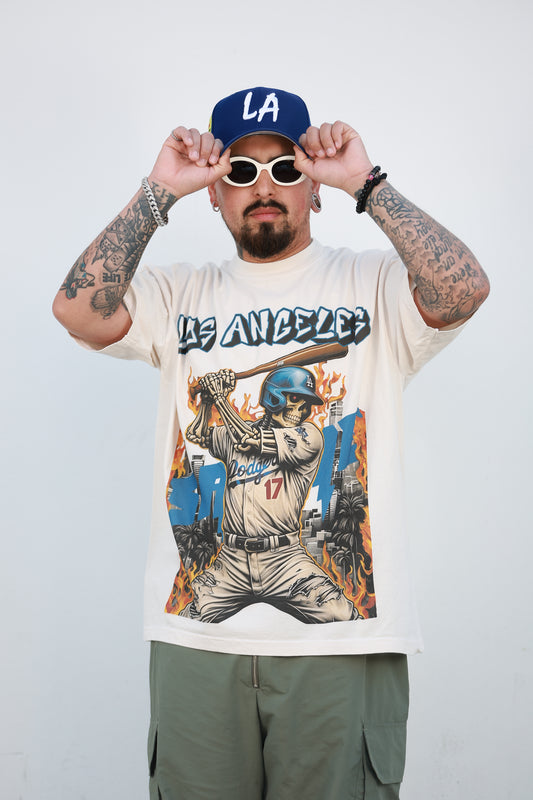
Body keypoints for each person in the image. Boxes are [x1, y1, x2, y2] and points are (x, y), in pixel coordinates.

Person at [53, 86, 489, 800]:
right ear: (214, 193)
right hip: (206, 612)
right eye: (240, 171)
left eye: (286, 169)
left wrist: (366, 184)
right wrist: (158, 192)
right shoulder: (177, 294)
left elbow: (463, 289)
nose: (264, 188)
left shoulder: (371, 285)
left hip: (327, 619)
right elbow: (77, 310)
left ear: (312, 187)